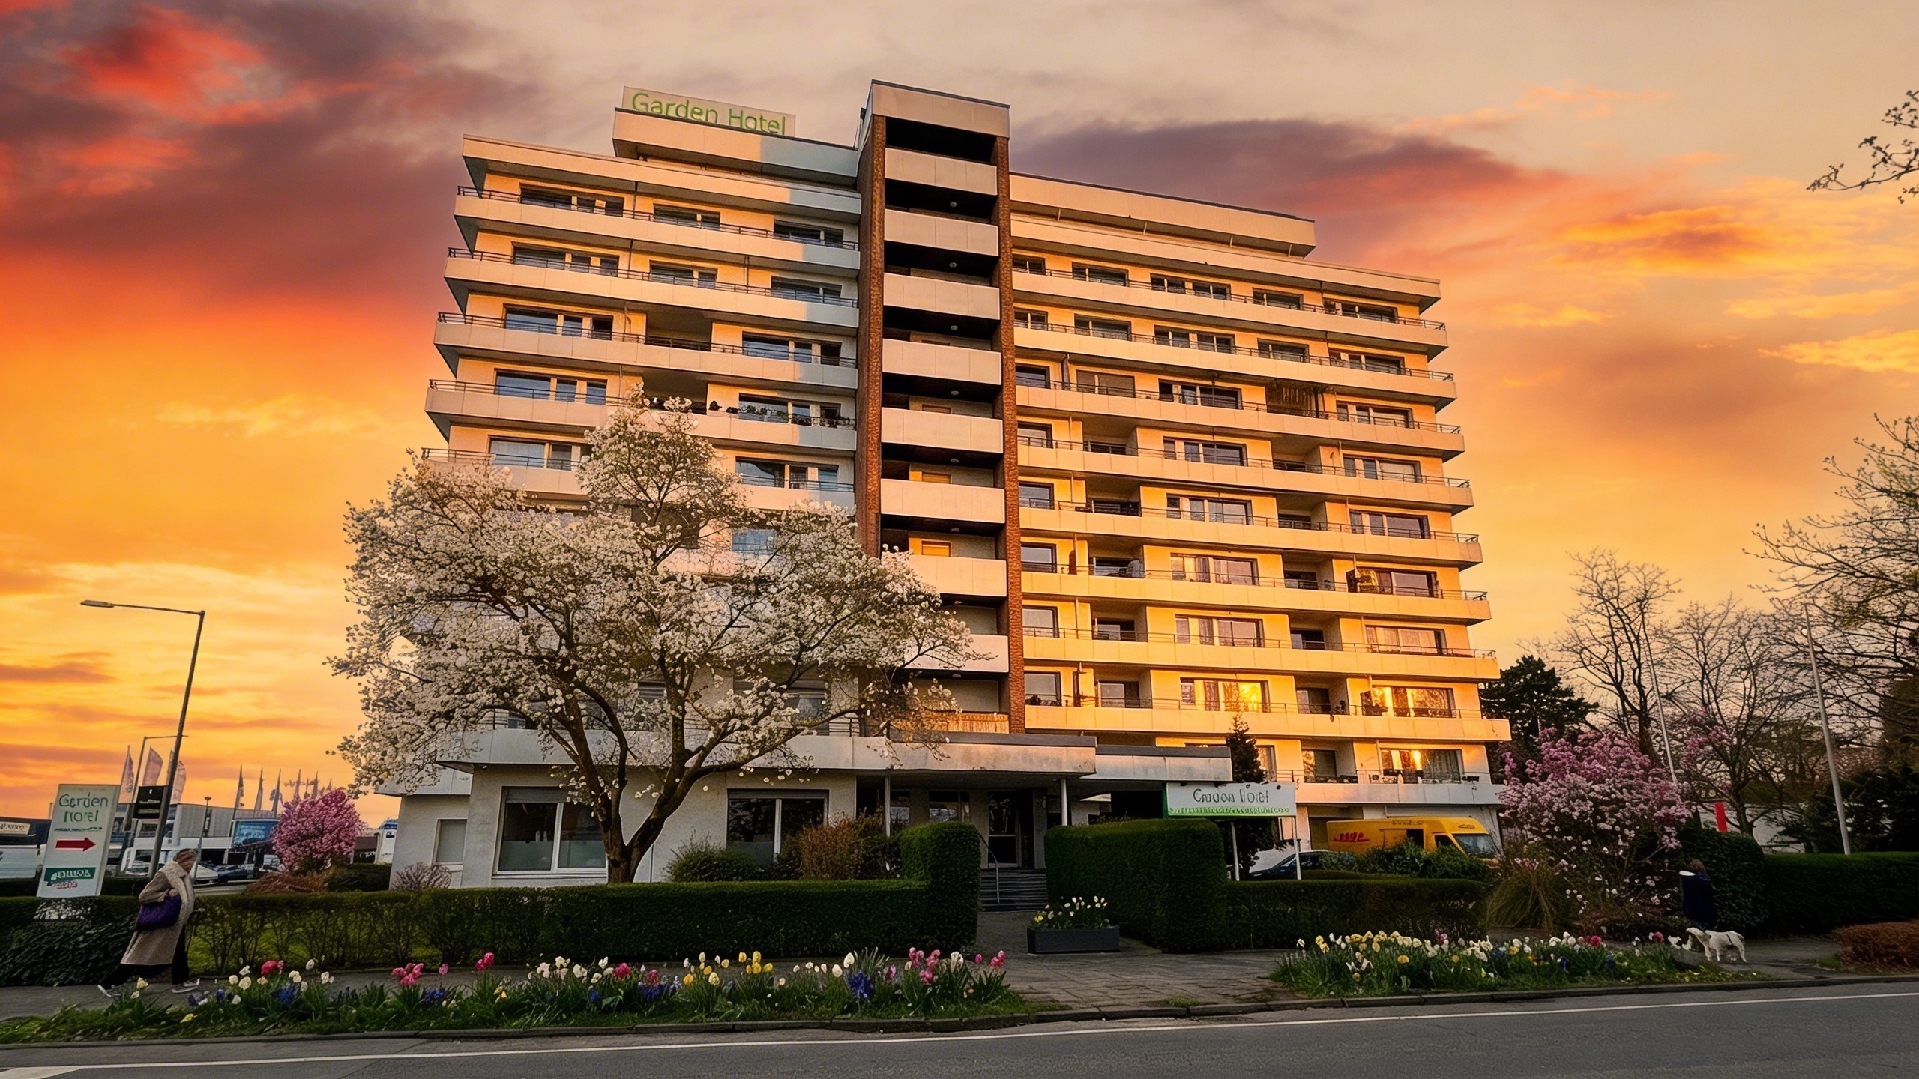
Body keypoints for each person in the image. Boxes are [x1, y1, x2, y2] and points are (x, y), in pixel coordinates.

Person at [99, 848, 199, 995]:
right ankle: (110, 983)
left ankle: (180, 981)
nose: (191, 864)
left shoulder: (183, 876)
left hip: (174, 924)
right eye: (188, 860)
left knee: (177, 954)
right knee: (139, 955)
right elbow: (144, 896)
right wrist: (167, 894)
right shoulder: (167, 874)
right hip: (160, 924)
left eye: (192, 861)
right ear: (180, 860)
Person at [1678, 858, 1717, 932]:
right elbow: (1710, 895)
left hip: (1691, 910)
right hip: (1706, 911)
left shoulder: (1685, 879)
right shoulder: (1705, 880)